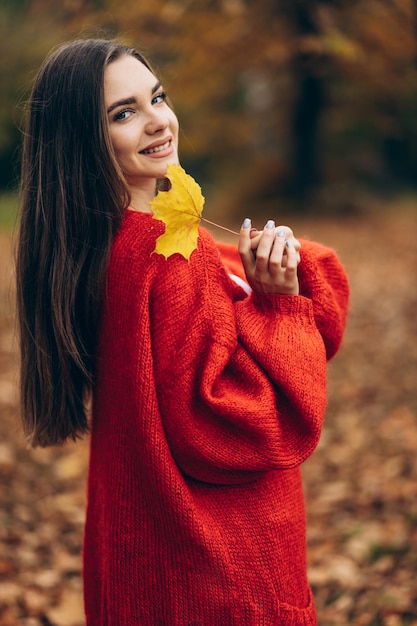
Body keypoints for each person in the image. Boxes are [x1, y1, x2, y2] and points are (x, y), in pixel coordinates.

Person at [16, 38, 349, 625]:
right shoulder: (169, 256)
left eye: (157, 98)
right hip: (219, 570)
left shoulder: (103, 248)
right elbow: (247, 425)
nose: (157, 121)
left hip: (146, 560)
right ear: (81, 141)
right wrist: (279, 308)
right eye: (123, 113)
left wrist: (278, 281)